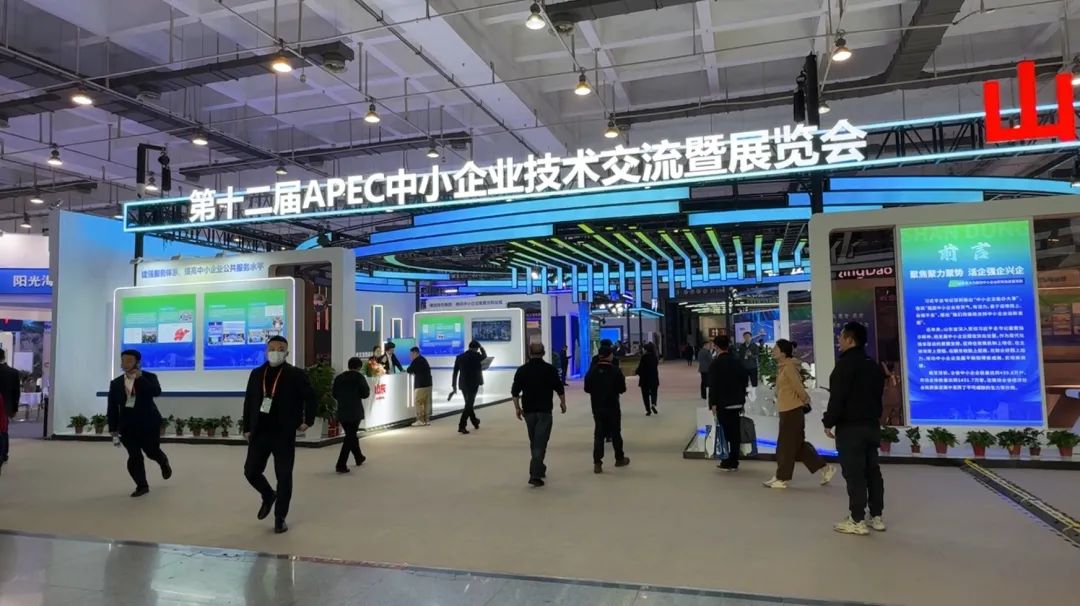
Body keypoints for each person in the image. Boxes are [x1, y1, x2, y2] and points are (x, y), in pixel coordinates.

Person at [241, 336, 317, 534]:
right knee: (251, 471)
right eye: (272, 349)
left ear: (287, 353)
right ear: (266, 352)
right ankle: (268, 494)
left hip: (283, 433)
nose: (275, 352)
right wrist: (247, 427)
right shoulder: (257, 374)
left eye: (280, 349)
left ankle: (280, 517)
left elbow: (311, 397)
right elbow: (249, 401)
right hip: (260, 431)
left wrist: (308, 420)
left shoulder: (296, 374)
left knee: (283, 476)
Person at [824, 322, 886, 536]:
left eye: (841, 336)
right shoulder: (872, 365)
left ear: (850, 340)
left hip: (850, 428)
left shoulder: (844, 366)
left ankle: (857, 519)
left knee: (855, 473)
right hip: (871, 426)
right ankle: (876, 516)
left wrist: (828, 421)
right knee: (872, 471)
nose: (839, 339)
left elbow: (837, 398)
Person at [763, 339, 835, 489]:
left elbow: (798, 387)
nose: (773, 350)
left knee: (785, 446)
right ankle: (825, 468)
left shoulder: (789, 367)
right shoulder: (783, 367)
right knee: (797, 446)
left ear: (783, 352)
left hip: (792, 411)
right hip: (787, 410)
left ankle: (782, 478)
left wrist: (805, 400)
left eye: (776, 348)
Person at [106, 349, 172, 497]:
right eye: (123, 360)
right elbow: (112, 407)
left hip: (149, 423)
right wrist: (113, 428)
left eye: (129, 360)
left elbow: (156, 392)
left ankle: (163, 462)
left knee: (151, 451)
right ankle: (142, 485)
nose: (126, 363)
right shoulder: (116, 383)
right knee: (134, 456)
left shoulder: (149, 377)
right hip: (127, 426)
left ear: (137, 363)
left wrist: (140, 378)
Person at [511, 343, 566, 487]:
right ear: (544, 353)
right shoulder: (550, 369)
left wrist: (517, 408)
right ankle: (535, 474)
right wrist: (563, 403)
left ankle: (539, 467)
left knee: (535, 441)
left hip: (528, 411)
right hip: (544, 411)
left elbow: (515, 392)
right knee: (540, 442)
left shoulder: (522, 370)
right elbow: (559, 388)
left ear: (529, 353)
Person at [584, 345, 630, 473]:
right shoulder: (615, 371)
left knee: (599, 434)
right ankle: (619, 458)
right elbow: (622, 389)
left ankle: (597, 463)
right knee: (616, 432)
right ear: (610, 355)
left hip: (597, 406)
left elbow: (587, 388)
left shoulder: (592, 371)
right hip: (612, 406)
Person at [708, 335, 748, 472]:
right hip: (737, 402)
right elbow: (744, 379)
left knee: (726, 432)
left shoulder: (715, 364)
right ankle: (734, 459)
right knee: (735, 432)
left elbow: (713, 385)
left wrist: (713, 403)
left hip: (723, 403)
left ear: (716, 346)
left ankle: (728, 459)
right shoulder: (736, 361)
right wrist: (742, 397)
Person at [331, 357, 370, 474]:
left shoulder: (339, 377)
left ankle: (359, 457)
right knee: (350, 436)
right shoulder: (359, 377)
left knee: (351, 435)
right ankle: (341, 464)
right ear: (359, 367)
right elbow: (365, 393)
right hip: (355, 411)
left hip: (342, 411)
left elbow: (334, 393)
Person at [451, 340, 486, 434]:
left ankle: (475, 421)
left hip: (463, 384)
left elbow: (455, 372)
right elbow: (485, 356)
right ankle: (462, 425)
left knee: (468, 404)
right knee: (469, 404)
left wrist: (454, 385)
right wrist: (482, 348)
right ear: (476, 348)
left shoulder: (460, 357)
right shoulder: (477, 356)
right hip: (473, 384)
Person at [0, 349, 19, 474]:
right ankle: (4, 454)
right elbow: (16, 393)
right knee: (3, 430)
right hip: (5, 406)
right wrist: (15, 408)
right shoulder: (13, 372)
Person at [407, 347, 433, 426]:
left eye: (411, 354)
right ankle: (427, 420)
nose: (410, 356)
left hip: (421, 385)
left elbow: (409, 370)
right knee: (427, 402)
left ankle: (420, 420)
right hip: (428, 384)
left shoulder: (416, 361)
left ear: (415, 353)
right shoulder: (423, 359)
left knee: (418, 402)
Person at [634, 342, 659, 416]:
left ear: (646, 349)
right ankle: (653, 403)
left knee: (645, 395)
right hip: (654, 378)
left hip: (644, 379)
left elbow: (640, 368)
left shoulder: (644, 357)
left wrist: (636, 372)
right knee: (654, 392)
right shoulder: (655, 357)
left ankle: (648, 410)